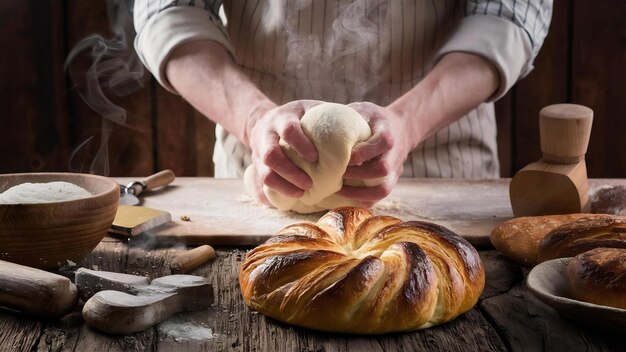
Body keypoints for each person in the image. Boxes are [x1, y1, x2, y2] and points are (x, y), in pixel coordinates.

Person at [133, 0, 552, 207]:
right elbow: (170, 10)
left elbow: (509, 14)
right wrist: (254, 119)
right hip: (263, 178)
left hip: (442, 179)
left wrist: (406, 122)